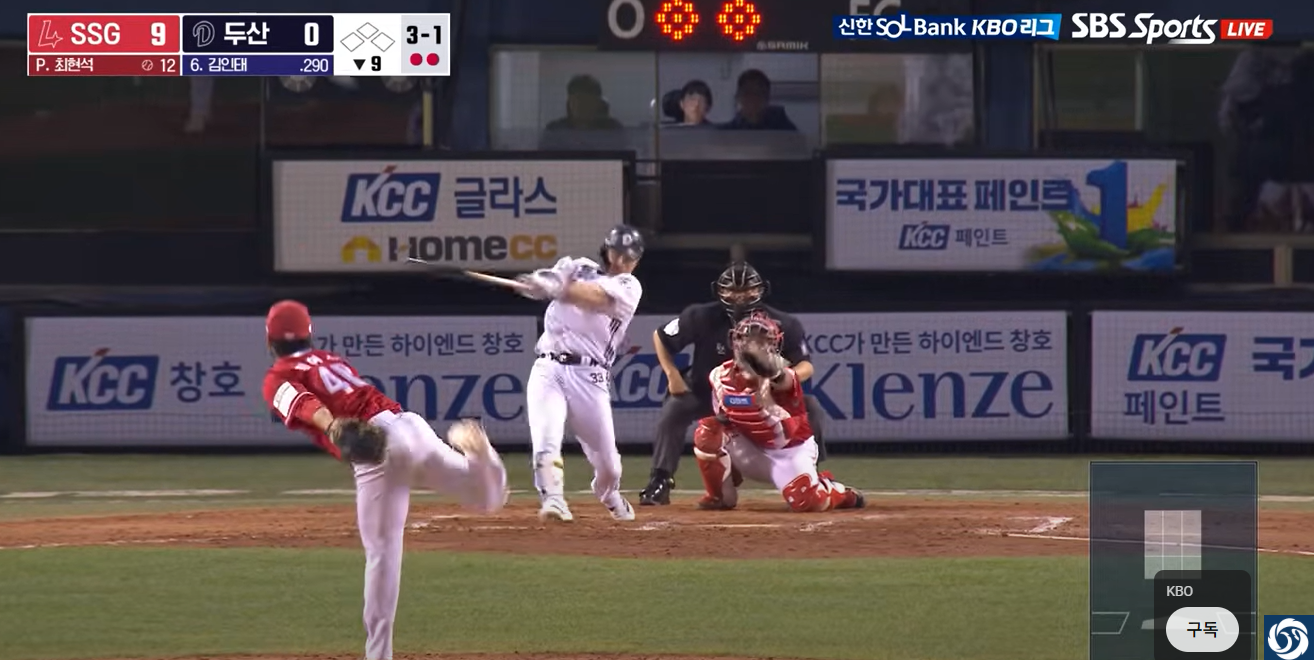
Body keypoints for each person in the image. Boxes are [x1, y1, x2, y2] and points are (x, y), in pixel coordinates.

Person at [260, 299, 508, 660]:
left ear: (269, 340)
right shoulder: (331, 359)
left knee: (382, 552)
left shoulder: (276, 377)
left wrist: (332, 424)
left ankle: (378, 655)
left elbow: (304, 403)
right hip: (410, 425)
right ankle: (480, 453)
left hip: (379, 450)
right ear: (309, 334)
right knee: (487, 500)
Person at [639, 261, 828, 506]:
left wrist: (779, 379)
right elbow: (661, 335)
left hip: (762, 395)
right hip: (707, 391)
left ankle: (812, 475)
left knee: (811, 406)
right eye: (732, 290)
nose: (740, 297)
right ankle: (661, 480)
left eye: (747, 290)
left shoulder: (785, 323)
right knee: (675, 410)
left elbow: (806, 365)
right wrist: (672, 374)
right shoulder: (701, 316)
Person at [516, 225, 646, 523]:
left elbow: (595, 298)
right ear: (607, 250)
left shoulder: (629, 287)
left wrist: (560, 289)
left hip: (590, 376)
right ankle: (553, 499)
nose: (622, 261)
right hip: (548, 367)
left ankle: (608, 493)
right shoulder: (577, 266)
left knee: (610, 466)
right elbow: (552, 280)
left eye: (630, 257)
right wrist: (538, 283)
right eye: (618, 253)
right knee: (546, 438)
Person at [693, 311, 865, 512]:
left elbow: (783, 379)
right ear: (735, 340)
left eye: (761, 341)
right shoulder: (718, 375)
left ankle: (835, 491)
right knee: (707, 431)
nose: (753, 345)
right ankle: (719, 496)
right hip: (749, 448)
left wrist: (766, 368)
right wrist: (729, 461)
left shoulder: (783, 376)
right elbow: (722, 418)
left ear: (774, 344)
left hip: (790, 451)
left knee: (808, 503)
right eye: (747, 339)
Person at [721, 69, 797, 131]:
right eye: (747, 92)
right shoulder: (726, 133)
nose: (753, 98)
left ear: (767, 98)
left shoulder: (783, 128)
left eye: (758, 93)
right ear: (738, 96)